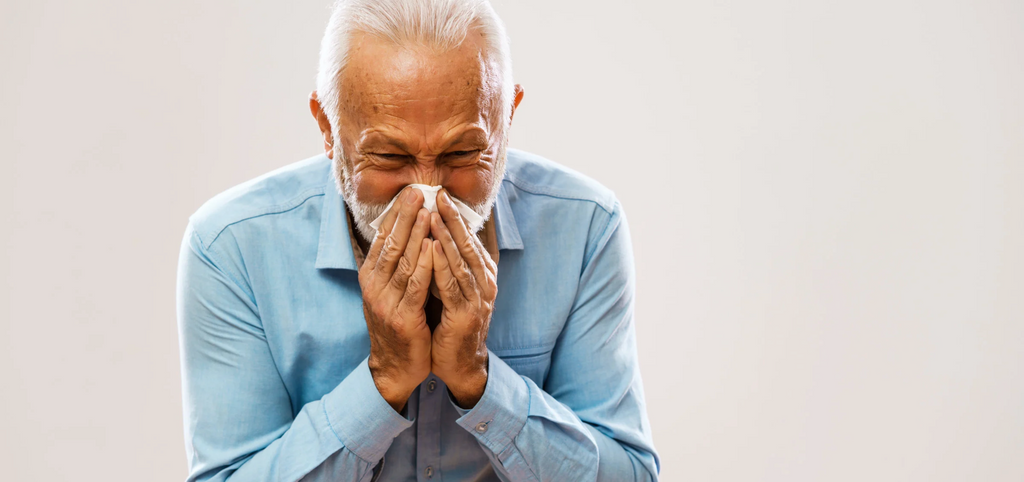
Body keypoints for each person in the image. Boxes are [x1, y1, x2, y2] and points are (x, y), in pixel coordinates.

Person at [176, 0, 659, 480]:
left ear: (507, 117)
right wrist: (382, 381)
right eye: (388, 156)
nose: (428, 195)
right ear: (327, 128)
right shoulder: (230, 246)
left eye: (463, 152)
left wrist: (480, 381)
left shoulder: (585, 227)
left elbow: (631, 475)